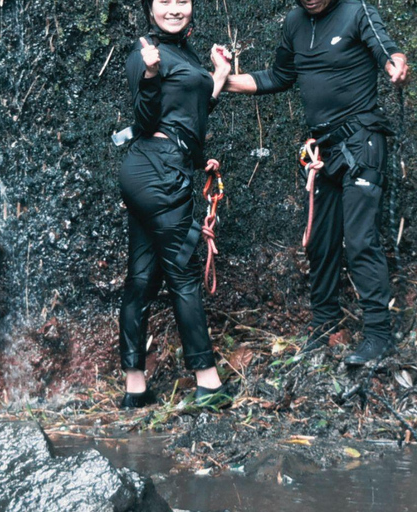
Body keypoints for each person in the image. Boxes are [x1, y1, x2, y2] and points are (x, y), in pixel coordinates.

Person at [224, 0, 409, 365]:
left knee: (359, 239)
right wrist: (220, 82)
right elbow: (279, 76)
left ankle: (378, 335)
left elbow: (385, 49)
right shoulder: (294, 22)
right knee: (321, 242)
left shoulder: (357, 10)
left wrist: (396, 64)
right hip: (325, 150)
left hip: (363, 140)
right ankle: (325, 325)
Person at [117, 0, 232, 408]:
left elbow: (189, 113)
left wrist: (217, 76)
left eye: (182, 1)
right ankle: (208, 383)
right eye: (164, 1)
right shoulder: (144, 51)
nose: (174, 9)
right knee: (182, 274)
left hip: (158, 170)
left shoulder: (183, 52)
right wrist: (149, 74)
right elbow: (147, 120)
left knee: (143, 276)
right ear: (151, 8)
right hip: (157, 170)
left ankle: (135, 388)